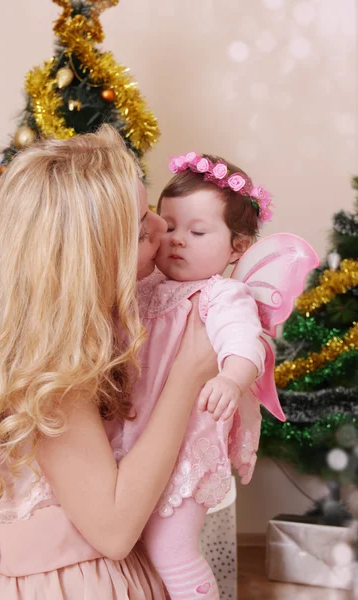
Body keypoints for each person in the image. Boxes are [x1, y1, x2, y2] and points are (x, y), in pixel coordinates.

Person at [0, 126, 217, 599]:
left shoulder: (16, 337)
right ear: (92, 264)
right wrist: (188, 374)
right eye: (142, 230)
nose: (162, 229)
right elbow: (115, 529)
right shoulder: (48, 367)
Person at [114, 152, 309, 599]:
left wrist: (230, 379)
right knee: (130, 546)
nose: (178, 240)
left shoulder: (222, 296)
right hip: (134, 441)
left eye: (198, 231)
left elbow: (246, 343)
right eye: (169, 225)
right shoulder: (143, 286)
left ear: (237, 247)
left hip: (186, 449)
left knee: (171, 550)